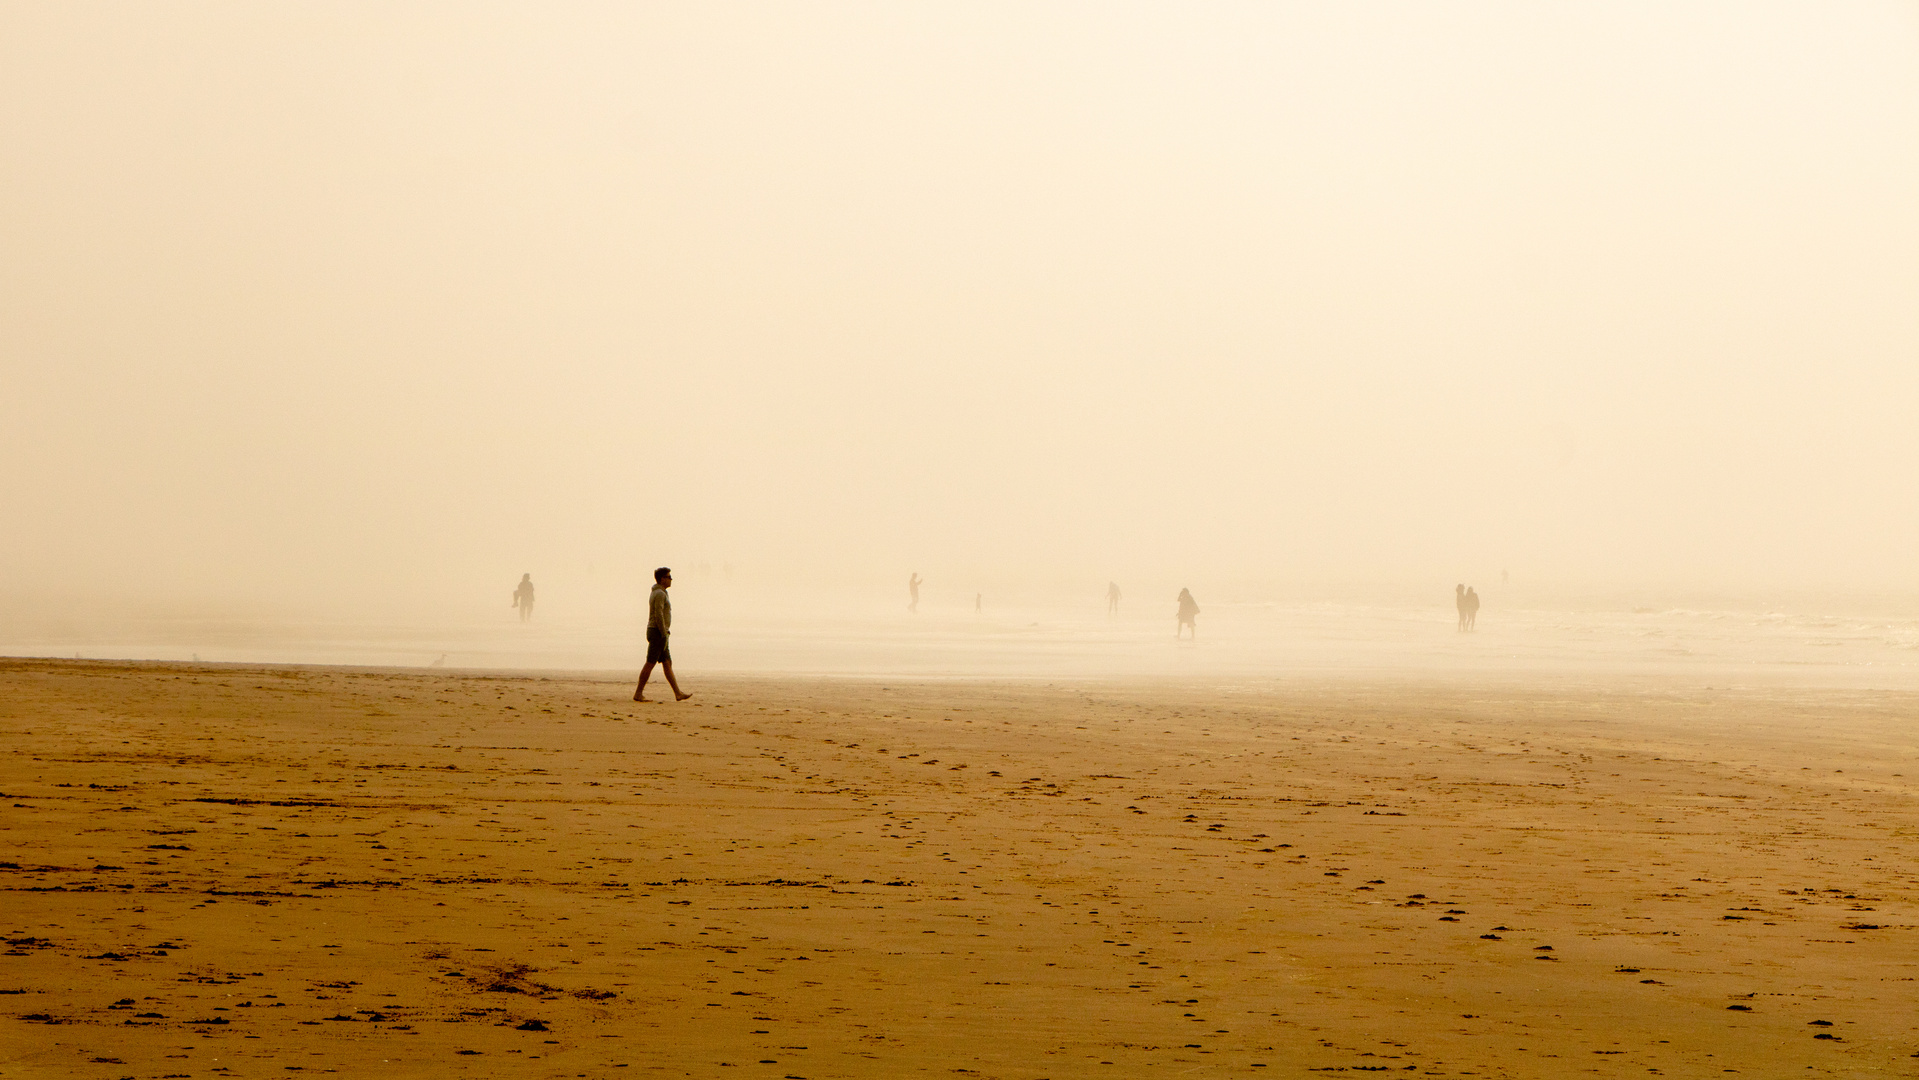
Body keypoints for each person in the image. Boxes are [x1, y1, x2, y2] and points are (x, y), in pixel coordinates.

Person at [634, 567, 691, 702]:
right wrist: (663, 632)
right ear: (662, 579)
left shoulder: (660, 592)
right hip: (657, 632)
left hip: (659, 632)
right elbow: (658, 614)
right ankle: (638, 693)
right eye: (668, 576)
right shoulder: (659, 594)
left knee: (667, 662)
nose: (671, 579)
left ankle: (677, 693)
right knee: (650, 663)